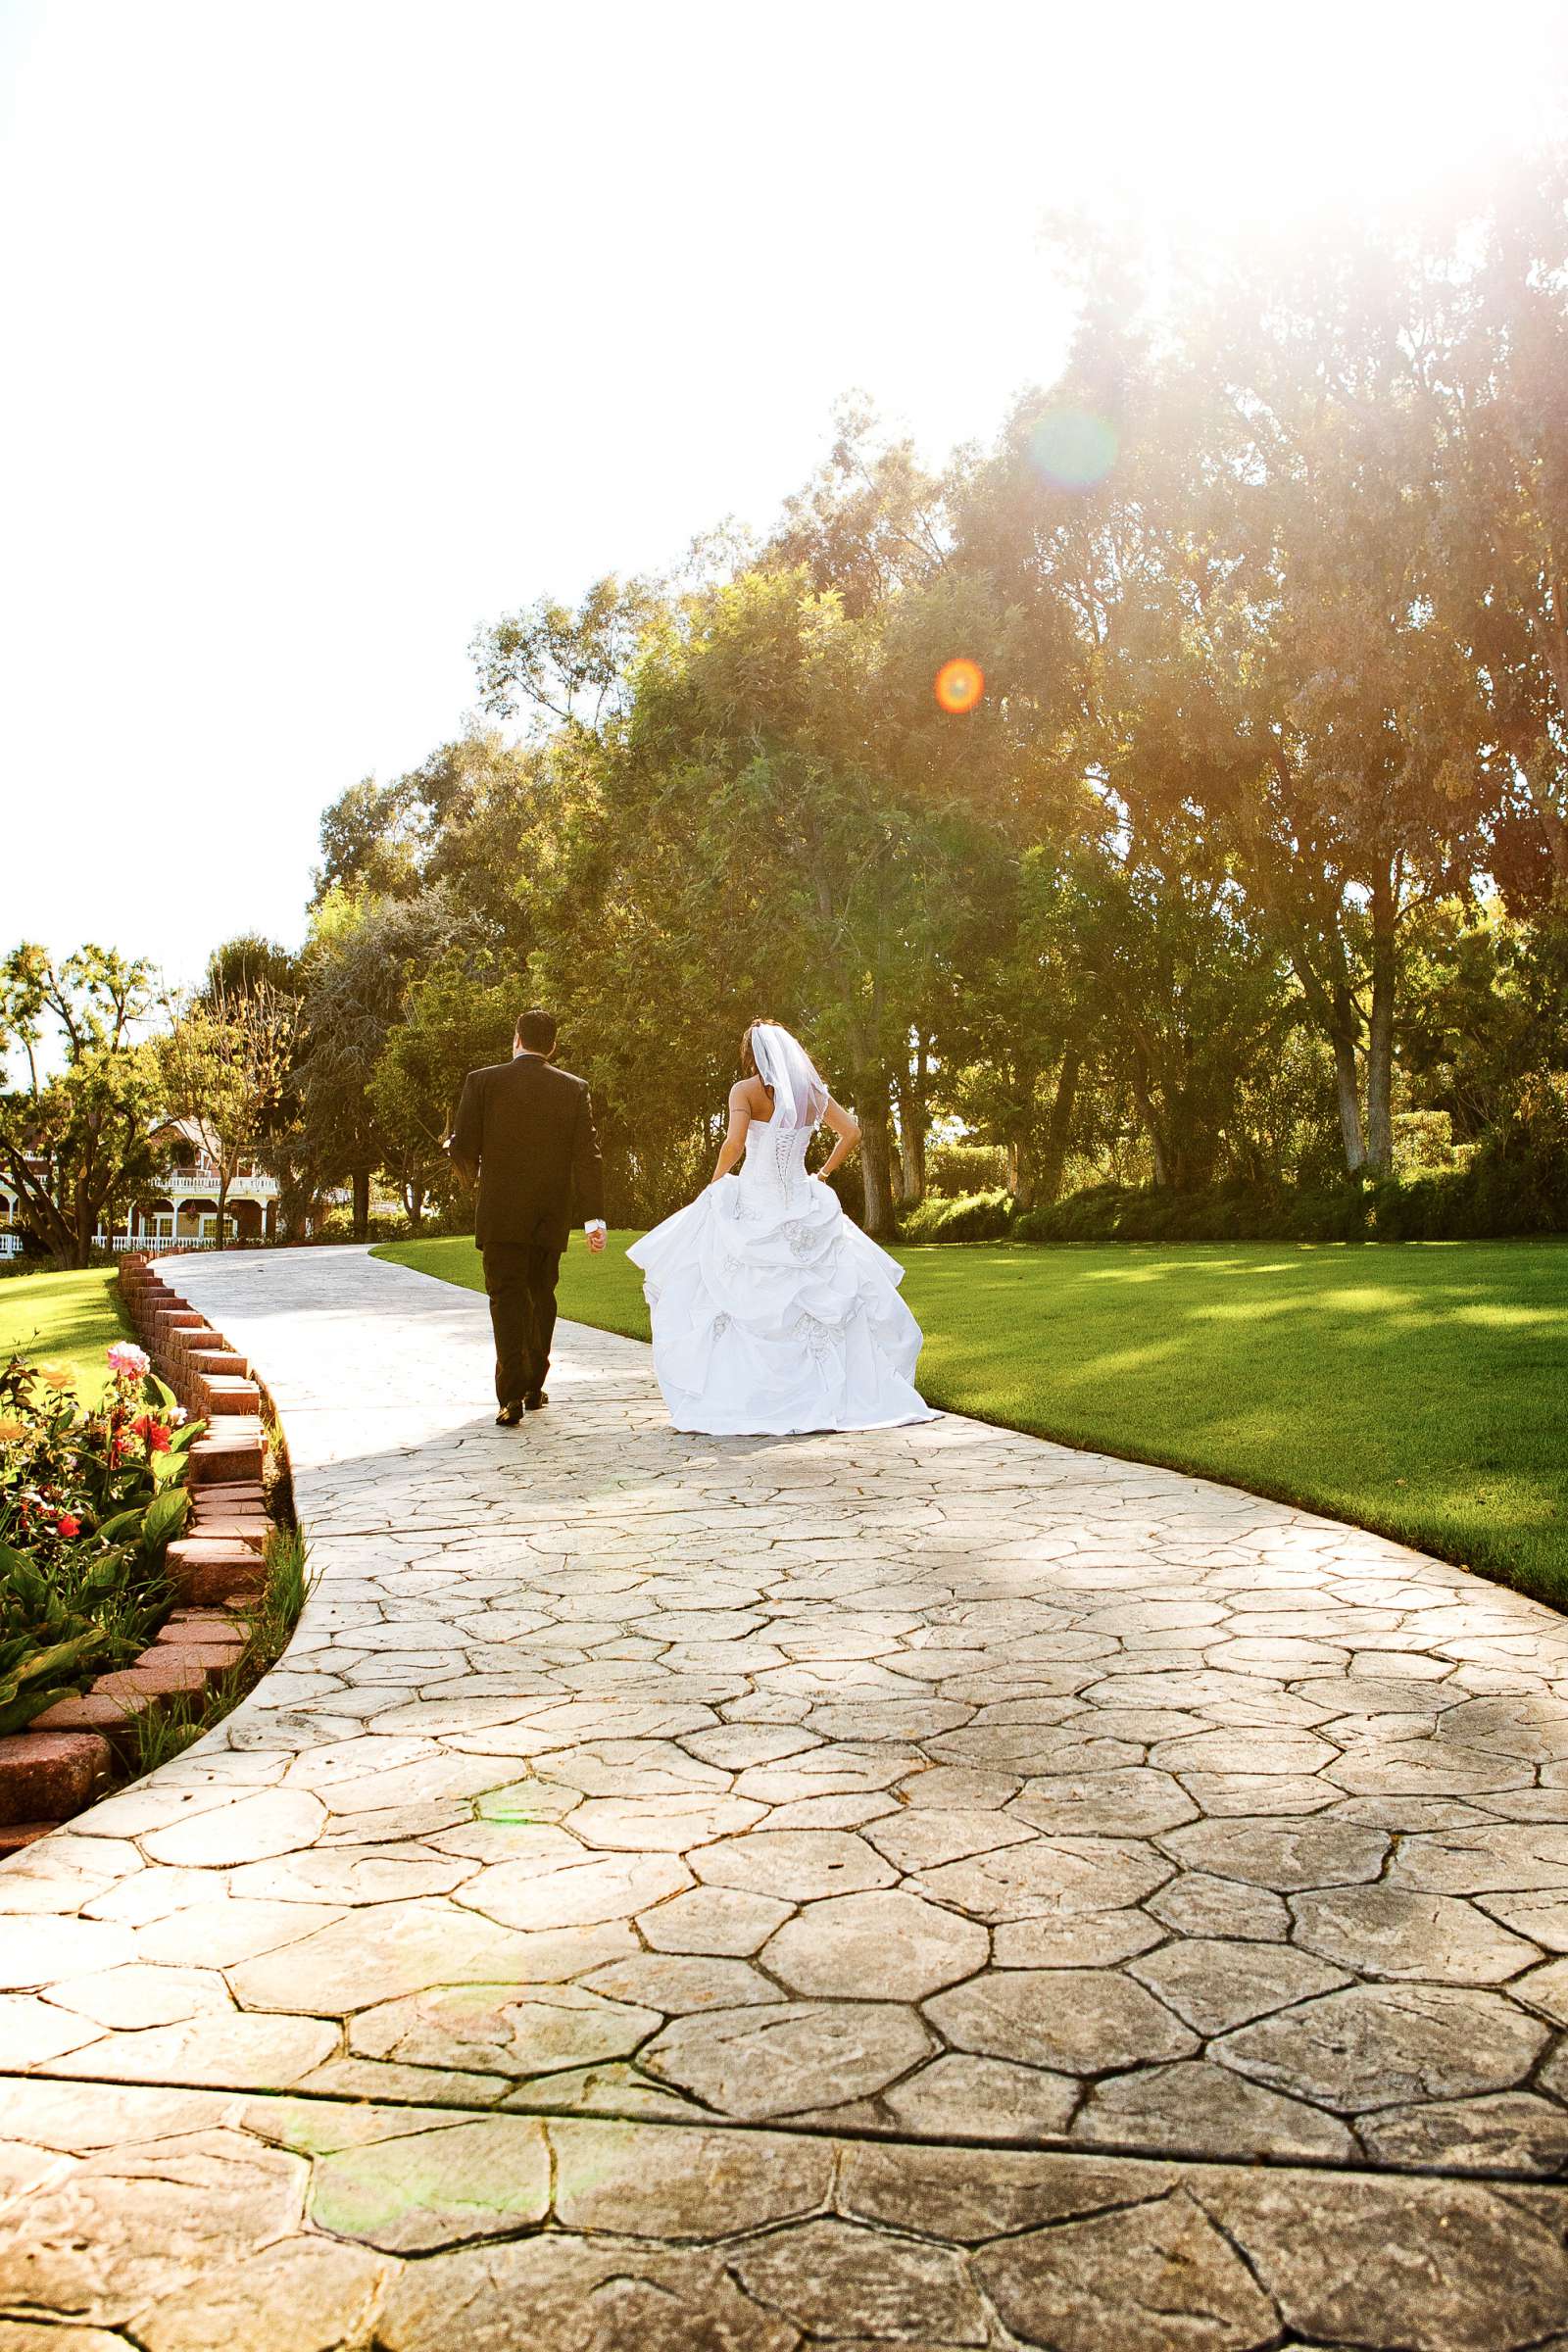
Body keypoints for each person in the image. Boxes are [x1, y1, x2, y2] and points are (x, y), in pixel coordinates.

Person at [627, 1019, 937, 1436]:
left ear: (752, 1054)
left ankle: (745, 1398)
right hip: (801, 1198)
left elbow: (735, 1144)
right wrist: (822, 1174)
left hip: (757, 1199)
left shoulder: (745, 1091)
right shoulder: (813, 1092)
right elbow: (852, 1132)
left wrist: (715, 1184)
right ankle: (836, 1394)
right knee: (823, 1292)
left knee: (734, 1295)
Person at [450, 1007, 606, 1426]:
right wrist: (594, 1218)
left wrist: (465, 1159)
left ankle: (510, 1397)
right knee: (542, 1295)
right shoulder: (574, 1089)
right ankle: (535, 1385)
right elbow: (587, 1157)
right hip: (549, 1215)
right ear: (552, 1046)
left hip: (500, 1213)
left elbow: (463, 1146)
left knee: (506, 1298)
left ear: (517, 1038)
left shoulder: (482, 1082)